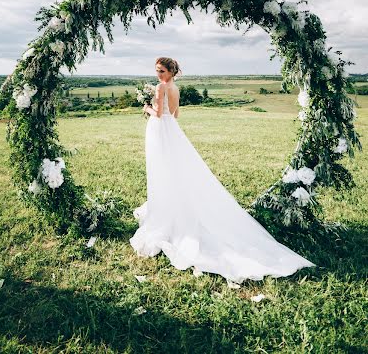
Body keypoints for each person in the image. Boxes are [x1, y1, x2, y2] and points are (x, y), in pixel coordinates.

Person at [129, 57, 315, 284]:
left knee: (163, 170)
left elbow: (159, 114)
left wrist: (147, 107)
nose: (158, 75)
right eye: (156, 71)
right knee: (173, 169)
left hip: (160, 130)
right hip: (172, 131)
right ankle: (173, 204)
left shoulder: (160, 87)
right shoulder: (175, 87)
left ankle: (168, 209)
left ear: (170, 71)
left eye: (161, 71)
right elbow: (175, 115)